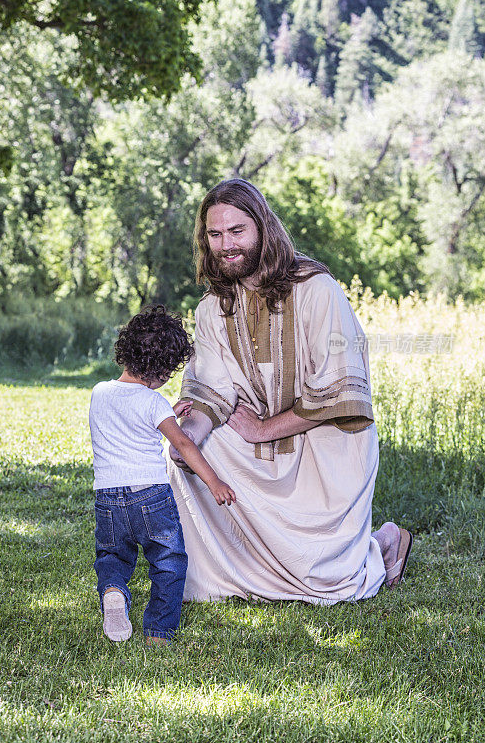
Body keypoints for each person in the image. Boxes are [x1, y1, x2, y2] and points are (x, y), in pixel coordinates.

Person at [168, 179, 413, 605]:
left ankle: (385, 542)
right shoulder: (212, 307)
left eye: (237, 231)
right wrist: (189, 430)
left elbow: (341, 390)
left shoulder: (318, 289)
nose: (225, 244)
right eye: (214, 234)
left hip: (326, 444)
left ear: (263, 228)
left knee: (330, 586)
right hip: (259, 448)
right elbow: (210, 391)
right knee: (189, 452)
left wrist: (265, 429)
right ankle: (240, 571)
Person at [89, 305, 236, 646]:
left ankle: (113, 591)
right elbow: (183, 443)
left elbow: (127, 421)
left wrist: (166, 412)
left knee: (112, 556)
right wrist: (213, 480)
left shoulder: (100, 393)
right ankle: (158, 633)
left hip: (108, 498)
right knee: (168, 561)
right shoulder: (152, 402)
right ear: (160, 371)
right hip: (150, 497)